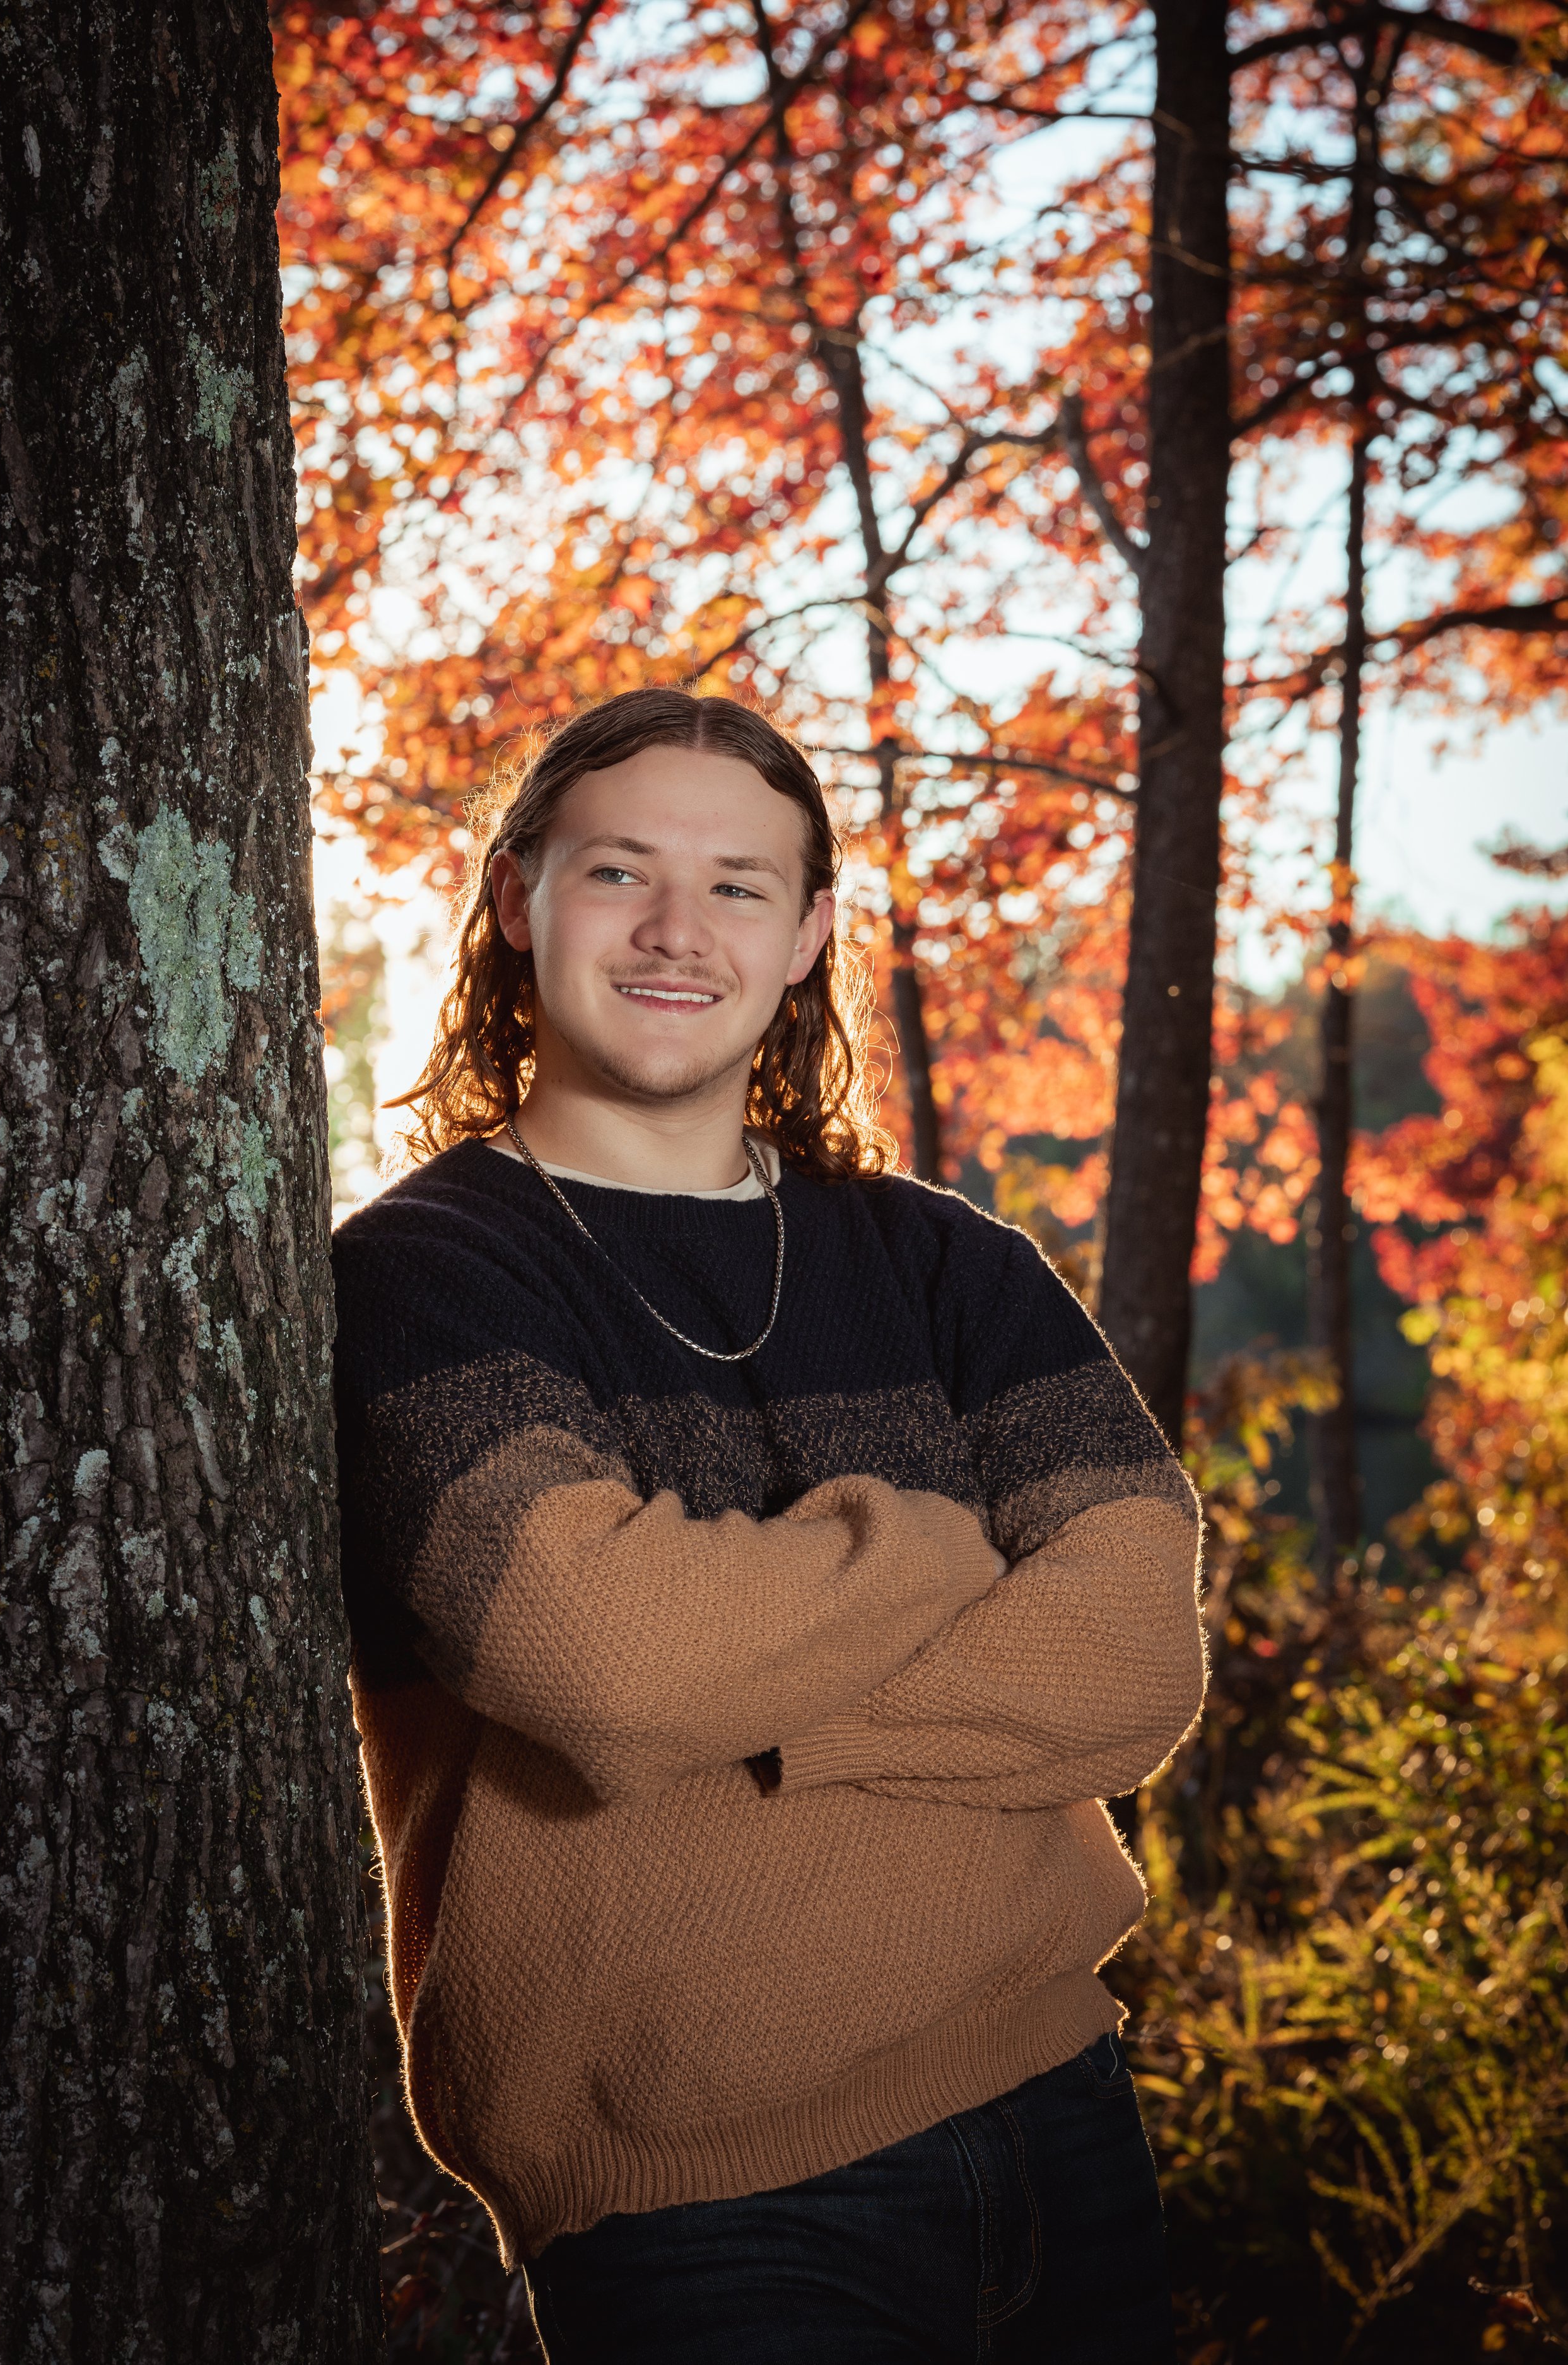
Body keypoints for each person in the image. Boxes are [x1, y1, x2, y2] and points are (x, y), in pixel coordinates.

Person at [332, 686, 1206, 2364]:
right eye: (619, 874)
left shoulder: (948, 1262)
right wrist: (939, 1545)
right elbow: (605, 1663)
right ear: (518, 901)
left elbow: (1126, 1663)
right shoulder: (421, 1279)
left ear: (807, 935)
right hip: (698, 2210)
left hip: (1058, 2105)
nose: (677, 930)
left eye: (737, 884)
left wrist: (742, 1691)